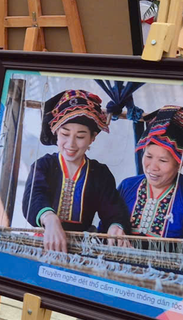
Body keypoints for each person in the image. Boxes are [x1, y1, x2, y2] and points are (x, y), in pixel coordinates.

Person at [22, 89, 129, 253]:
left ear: (92, 138)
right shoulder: (44, 165)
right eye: (65, 134)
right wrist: (50, 220)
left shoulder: (99, 173)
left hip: (82, 249)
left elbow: (113, 209)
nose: (71, 144)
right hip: (43, 243)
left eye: (80, 137)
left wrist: (115, 226)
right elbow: (34, 197)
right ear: (56, 132)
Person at [117, 106, 183, 244]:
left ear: (180, 162)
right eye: (148, 156)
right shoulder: (128, 185)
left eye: (163, 160)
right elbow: (107, 224)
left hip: (171, 265)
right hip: (120, 263)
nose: (152, 167)